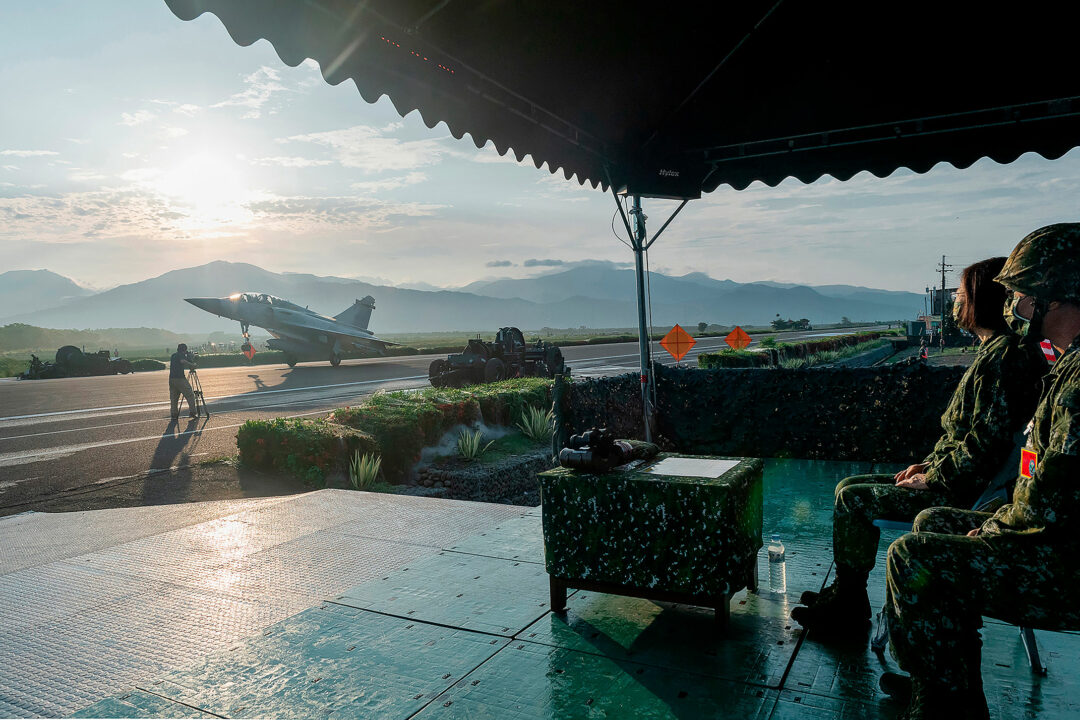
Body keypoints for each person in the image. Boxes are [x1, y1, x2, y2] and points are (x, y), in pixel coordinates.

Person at [883, 223, 1080, 718]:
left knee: (914, 555)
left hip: (1064, 560)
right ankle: (943, 684)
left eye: (1021, 292)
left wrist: (992, 527)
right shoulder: (1066, 367)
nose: (1013, 303)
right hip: (1051, 536)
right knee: (933, 524)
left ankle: (947, 704)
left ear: (1054, 296)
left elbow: (1050, 499)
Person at [790, 257, 1047, 635]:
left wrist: (933, 477)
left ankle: (848, 606)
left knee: (853, 499)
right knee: (847, 484)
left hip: (963, 490)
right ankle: (847, 593)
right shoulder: (995, 352)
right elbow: (966, 436)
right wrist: (927, 465)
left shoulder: (1005, 357)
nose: (956, 303)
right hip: (956, 476)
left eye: (961, 295)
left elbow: (985, 444)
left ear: (981, 300)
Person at [169, 343, 198, 420]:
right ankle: (192, 412)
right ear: (184, 350)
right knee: (190, 395)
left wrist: (187, 357)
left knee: (174, 398)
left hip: (172, 379)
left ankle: (174, 414)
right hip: (180, 379)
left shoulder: (173, 355)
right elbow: (182, 361)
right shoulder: (181, 355)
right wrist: (192, 363)